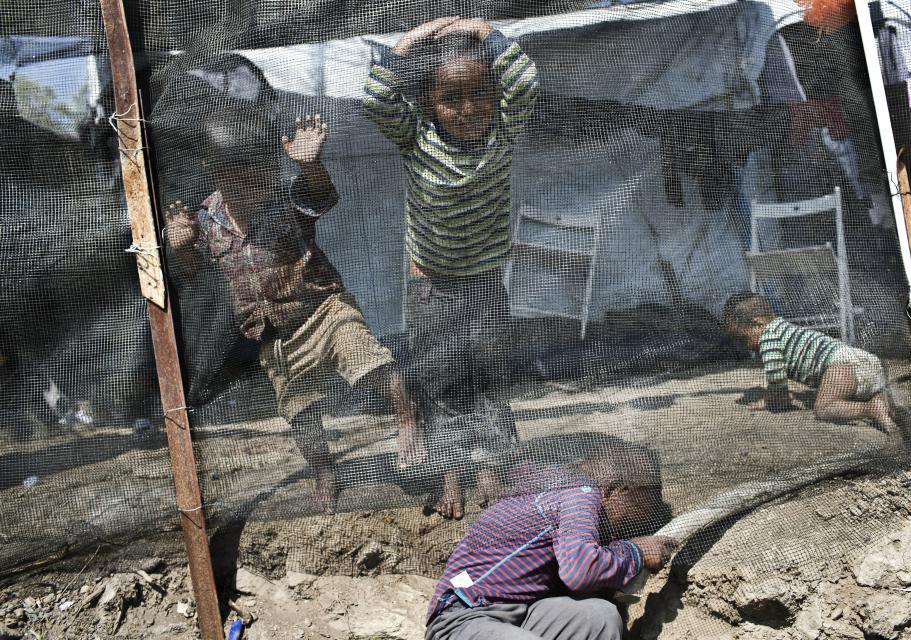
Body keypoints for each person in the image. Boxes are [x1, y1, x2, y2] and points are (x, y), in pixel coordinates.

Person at [164, 104, 424, 512]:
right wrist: (181, 248)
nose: (251, 186)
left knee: (370, 362)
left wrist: (312, 165)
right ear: (212, 170)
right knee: (300, 411)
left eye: (259, 174)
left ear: (271, 165)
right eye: (236, 179)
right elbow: (193, 275)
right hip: (274, 335)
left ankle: (406, 418)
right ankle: (324, 470)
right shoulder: (205, 221)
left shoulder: (286, 198)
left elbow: (319, 196)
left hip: (323, 309)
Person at [362, 16, 539, 520]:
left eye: (479, 94)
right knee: (441, 383)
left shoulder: (503, 131)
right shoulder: (416, 137)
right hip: (432, 288)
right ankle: (450, 474)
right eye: (451, 99)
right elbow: (375, 96)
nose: (467, 110)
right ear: (429, 105)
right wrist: (415, 40)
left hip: (484, 284)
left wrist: (481, 29)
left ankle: (488, 469)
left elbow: (524, 78)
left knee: (486, 377)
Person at [425, 444, 676, 640]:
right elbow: (580, 570)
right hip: (464, 619)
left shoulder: (554, 482)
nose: (648, 514)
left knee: (600, 617)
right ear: (616, 490)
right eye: (646, 500)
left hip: (521, 614)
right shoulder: (580, 491)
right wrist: (636, 551)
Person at [722, 291, 897, 433]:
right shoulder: (783, 327)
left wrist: (775, 398)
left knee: (823, 408)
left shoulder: (768, 338)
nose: (747, 346)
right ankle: (887, 411)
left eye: (744, 339)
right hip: (868, 362)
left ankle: (869, 409)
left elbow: (776, 376)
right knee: (873, 396)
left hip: (842, 365)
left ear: (758, 323)